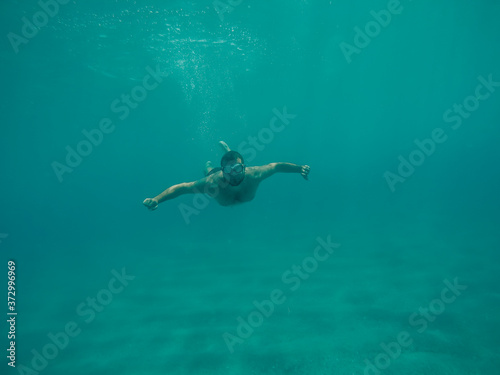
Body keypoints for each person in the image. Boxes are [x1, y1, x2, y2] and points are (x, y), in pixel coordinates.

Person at [143, 141, 310, 210]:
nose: (234, 175)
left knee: (231, 160)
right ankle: (210, 164)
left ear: (245, 167)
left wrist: (299, 169)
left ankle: (228, 150)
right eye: (229, 171)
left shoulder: (255, 174)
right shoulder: (212, 183)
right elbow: (182, 187)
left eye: (238, 169)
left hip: (232, 168)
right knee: (209, 170)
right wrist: (157, 199)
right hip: (214, 174)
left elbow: (277, 166)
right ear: (223, 172)